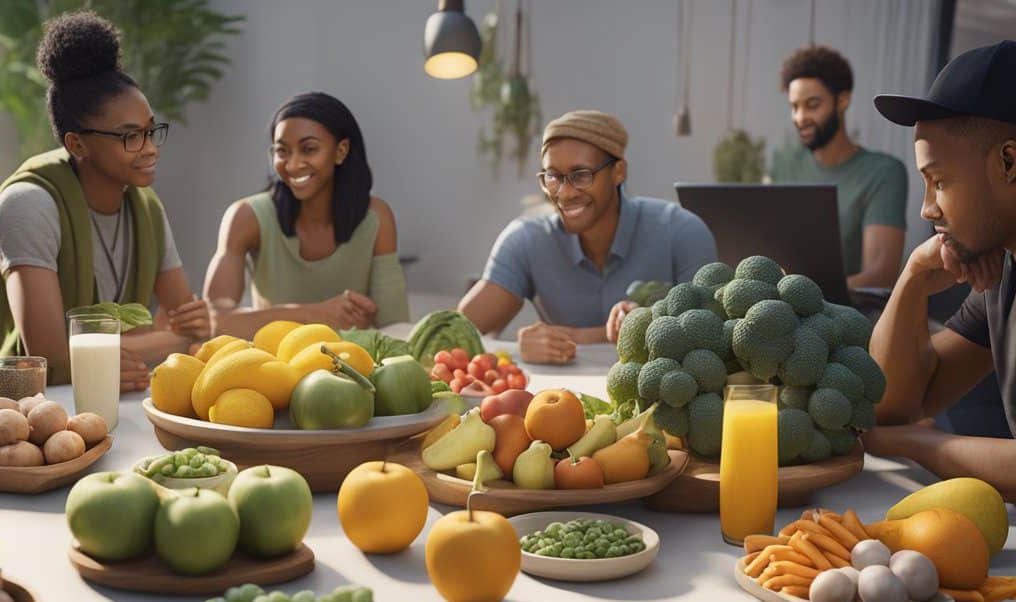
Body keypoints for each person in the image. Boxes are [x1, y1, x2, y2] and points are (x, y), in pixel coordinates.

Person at [0, 11, 209, 390]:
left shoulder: (146, 206)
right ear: (77, 144)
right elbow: (51, 360)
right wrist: (160, 340)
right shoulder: (28, 204)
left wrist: (112, 351)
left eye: (151, 131)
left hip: (131, 397)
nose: (150, 148)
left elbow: (193, 335)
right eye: (130, 137)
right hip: (42, 411)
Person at [865, 40, 1016, 498]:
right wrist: (912, 279)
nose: (927, 209)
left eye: (939, 181)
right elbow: (896, 405)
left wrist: (927, 445)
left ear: (1009, 162)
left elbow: (903, 428)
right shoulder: (1001, 273)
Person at [458, 110, 716, 365]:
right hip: (559, 401)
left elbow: (711, 338)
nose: (565, 193)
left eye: (581, 175)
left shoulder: (682, 232)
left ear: (618, 172)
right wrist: (519, 347)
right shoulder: (526, 239)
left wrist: (640, 325)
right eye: (553, 176)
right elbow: (455, 338)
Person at [204, 92, 410, 337]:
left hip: (350, 365)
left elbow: (397, 328)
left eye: (308, 149)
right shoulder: (246, 217)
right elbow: (214, 321)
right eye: (282, 151)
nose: (293, 164)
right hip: (273, 366)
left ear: (341, 151)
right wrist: (312, 314)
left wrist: (365, 313)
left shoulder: (377, 218)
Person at [770, 45, 908, 307]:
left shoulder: (883, 172)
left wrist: (803, 293)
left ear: (842, 101)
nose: (800, 118)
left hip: (851, 312)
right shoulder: (783, 163)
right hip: (782, 309)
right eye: (794, 107)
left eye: (812, 104)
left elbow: (882, 274)